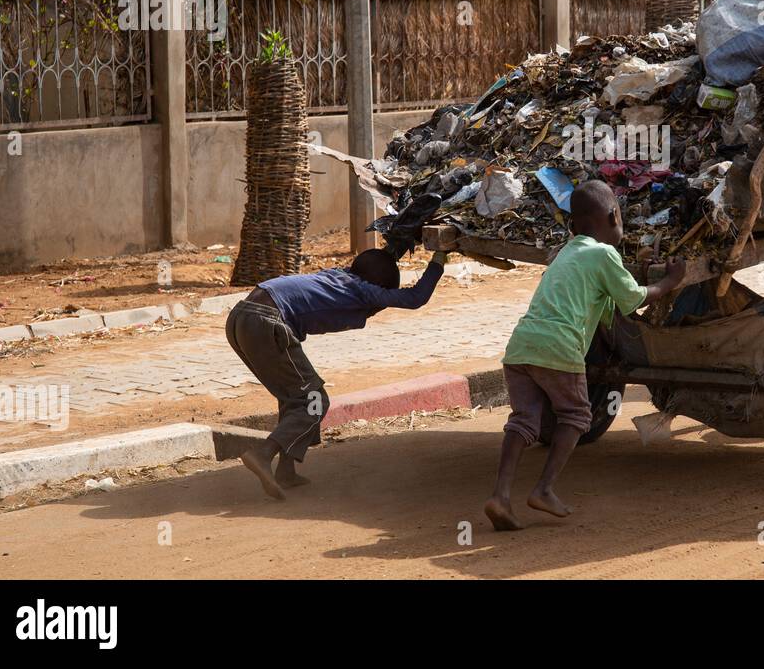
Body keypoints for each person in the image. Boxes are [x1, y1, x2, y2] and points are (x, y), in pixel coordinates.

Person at [484, 180, 685, 531]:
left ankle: (500, 496)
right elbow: (633, 298)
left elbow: (606, 305)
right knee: (577, 416)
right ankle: (543, 489)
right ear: (613, 216)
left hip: (520, 346)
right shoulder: (604, 254)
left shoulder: (567, 252)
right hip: (559, 347)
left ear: (573, 225)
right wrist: (670, 281)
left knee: (524, 421)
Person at [225, 248, 446, 499]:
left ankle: (286, 471)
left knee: (295, 397)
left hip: (240, 317)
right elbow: (416, 298)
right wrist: (439, 258)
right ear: (378, 285)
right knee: (315, 401)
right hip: (267, 322)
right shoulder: (362, 290)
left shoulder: (338, 275)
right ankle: (263, 455)